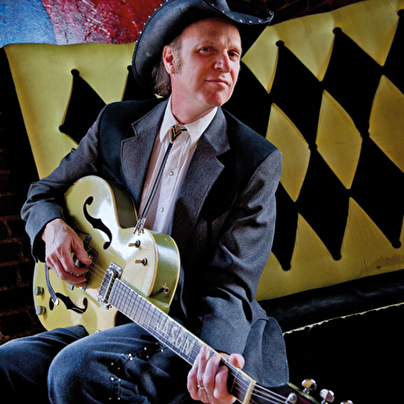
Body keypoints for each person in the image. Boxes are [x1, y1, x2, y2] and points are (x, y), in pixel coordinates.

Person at [0, 1, 288, 403]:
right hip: (104, 307)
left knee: (74, 371)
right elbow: (42, 194)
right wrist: (53, 228)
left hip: (187, 324)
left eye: (234, 54)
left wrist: (217, 357)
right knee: (8, 362)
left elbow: (230, 286)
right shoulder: (115, 124)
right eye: (207, 49)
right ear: (170, 59)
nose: (225, 64)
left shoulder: (255, 160)